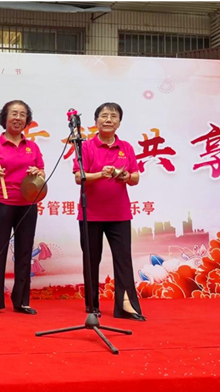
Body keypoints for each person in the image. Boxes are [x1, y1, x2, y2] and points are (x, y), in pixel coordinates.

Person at [73, 102, 145, 321]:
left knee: (123, 260)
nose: (108, 120)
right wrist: (100, 174)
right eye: (103, 116)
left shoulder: (126, 147)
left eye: (113, 116)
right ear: (95, 121)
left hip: (119, 214)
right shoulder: (86, 147)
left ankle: (126, 306)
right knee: (91, 260)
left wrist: (125, 176)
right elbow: (79, 177)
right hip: (91, 213)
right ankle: (92, 305)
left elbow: (135, 177)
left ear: (119, 123)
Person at [0, 100, 45, 316]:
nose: (18, 118)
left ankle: (21, 301)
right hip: (2, 202)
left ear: (27, 120)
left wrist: (37, 173)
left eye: (22, 114)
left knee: (24, 253)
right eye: (14, 113)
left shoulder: (32, 147)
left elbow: (42, 172)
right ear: (4, 118)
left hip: (28, 204)